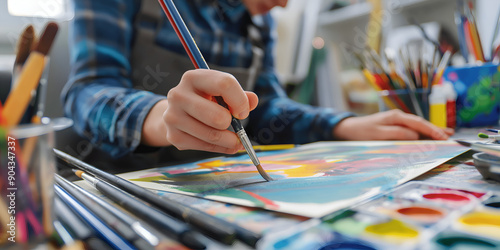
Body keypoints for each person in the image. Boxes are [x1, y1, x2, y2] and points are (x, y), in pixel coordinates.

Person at [62, 0, 453, 158]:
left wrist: (345, 124)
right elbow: (86, 92)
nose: (284, 4)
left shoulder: (260, 20)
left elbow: (267, 110)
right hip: (123, 189)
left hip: (221, 185)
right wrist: (160, 115)